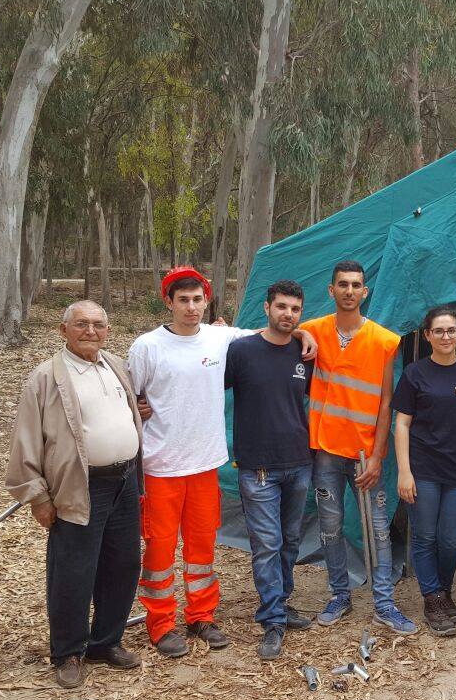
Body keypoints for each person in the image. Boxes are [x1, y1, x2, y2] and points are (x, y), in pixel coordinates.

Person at [129, 266, 315, 658]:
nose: (192, 307)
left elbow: (272, 335)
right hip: (162, 464)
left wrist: (304, 332)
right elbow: (130, 396)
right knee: (160, 550)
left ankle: (201, 617)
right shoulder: (147, 346)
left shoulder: (220, 339)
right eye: (183, 300)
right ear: (169, 302)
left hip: (205, 462)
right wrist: (139, 408)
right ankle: (161, 623)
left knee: (201, 548)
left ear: (206, 301)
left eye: (198, 299)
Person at [6, 301, 145, 688]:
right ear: (62, 329)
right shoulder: (46, 378)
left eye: (98, 324)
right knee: (73, 571)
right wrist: (37, 496)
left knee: (123, 564)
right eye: (81, 324)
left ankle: (105, 642)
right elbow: (26, 440)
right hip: (80, 486)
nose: (90, 331)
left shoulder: (115, 365)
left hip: (125, 480)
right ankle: (67, 651)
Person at [297, 260, 417, 634]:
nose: (349, 291)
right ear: (331, 291)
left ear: (365, 292)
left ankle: (384, 603)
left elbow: (385, 401)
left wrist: (379, 456)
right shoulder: (313, 330)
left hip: (365, 454)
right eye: (342, 285)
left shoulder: (383, 340)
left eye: (356, 285)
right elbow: (270, 332)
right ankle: (339, 595)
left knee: (378, 528)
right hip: (327, 450)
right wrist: (221, 333)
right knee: (330, 526)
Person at [225, 280, 317, 660]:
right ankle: (273, 620)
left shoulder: (304, 351)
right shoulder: (242, 351)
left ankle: (280, 601)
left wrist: (306, 334)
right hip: (258, 467)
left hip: (298, 462)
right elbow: (206, 387)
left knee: (290, 541)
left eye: (295, 310)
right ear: (266, 308)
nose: (288, 315)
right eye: (281, 307)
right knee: (267, 545)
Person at [393, 307, 456, 636]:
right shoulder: (415, 374)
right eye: (439, 331)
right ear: (427, 335)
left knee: (450, 539)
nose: (446, 337)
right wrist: (405, 472)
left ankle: (443, 591)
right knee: (425, 536)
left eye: (452, 331)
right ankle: (432, 598)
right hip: (424, 469)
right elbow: (401, 424)